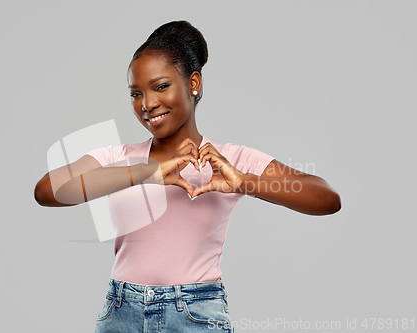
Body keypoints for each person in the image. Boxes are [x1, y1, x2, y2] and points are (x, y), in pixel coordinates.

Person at [34, 20, 341, 332]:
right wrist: (146, 172)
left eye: (161, 86)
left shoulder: (229, 160)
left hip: (194, 314)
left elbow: (326, 198)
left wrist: (245, 182)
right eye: (136, 93)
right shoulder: (119, 159)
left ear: (193, 83)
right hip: (120, 314)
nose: (147, 104)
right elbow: (48, 191)